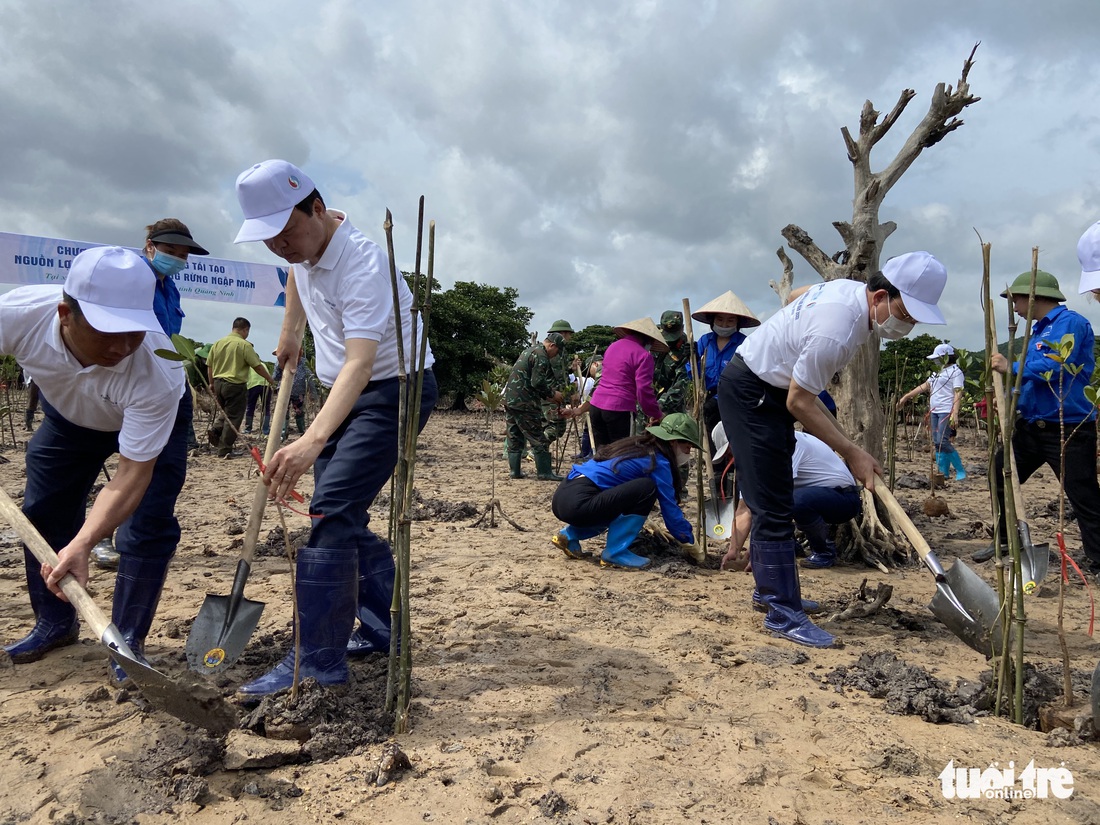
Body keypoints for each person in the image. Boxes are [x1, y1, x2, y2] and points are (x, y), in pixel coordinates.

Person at [232, 159, 437, 697]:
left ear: (317, 209)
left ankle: (317, 662)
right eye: (269, 240)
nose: (281, 246)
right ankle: (383, 625)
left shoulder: (364, 263)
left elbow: (360, 365)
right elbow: (297, 276)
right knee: (334, 510)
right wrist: (290, 330)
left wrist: (310, 440)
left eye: (287, 233)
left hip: (394, 389)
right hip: (344, 389)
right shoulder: (304, 244)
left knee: (335, 511)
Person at [718, 252, 948, 648]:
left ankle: (771, 592)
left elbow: (798, 297)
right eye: (905, 314)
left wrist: (788, 337)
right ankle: (782, 612)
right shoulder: (837, 330)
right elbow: (801, 402)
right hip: (753, 393)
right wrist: (852, 452)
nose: (906, 325)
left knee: (771, 494)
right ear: (879, 296)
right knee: (773, 503)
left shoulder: (845, 291)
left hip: (768, 390)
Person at [0, 246, 190, 688]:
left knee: (147, 525)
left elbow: (130, 478)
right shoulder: (17, 316)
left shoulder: (157, 373)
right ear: (66, 313)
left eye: (134, 332)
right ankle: (54, 623)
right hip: (68, 419)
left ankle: (127, 643)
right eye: (107, 333)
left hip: (147, 423)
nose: (123, 347)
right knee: (44, 512)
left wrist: (85, 543)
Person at [973, 270, 1100, 574]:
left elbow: (1059, 366)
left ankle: (1098, 558)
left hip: (1068, 428)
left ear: (1033, 297)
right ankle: (1004, 540)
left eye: (1015, 298)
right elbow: (1031, 381)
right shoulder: (1036, 332)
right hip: (1031, 427)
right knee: (999, 474)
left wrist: (1010, 365)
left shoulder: (1071, 323)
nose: (1013, 305)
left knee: (1082, 494)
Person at [550, 413, 700, 569]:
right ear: (673, 442)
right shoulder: (658, 461)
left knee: (619, 504)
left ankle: (569, 536)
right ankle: (615, 553)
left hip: (564, 495)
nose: (688, 454)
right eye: (687, 447)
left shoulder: (636, 447)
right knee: (646, 488)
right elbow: (670, 511)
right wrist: (689, 541)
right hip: (579, 504)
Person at [690, 291, 760, 451]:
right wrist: (691, 358)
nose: (724, 324)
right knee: (710, 441)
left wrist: (718, 399)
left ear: (738, 323)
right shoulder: (704, 342)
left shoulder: (745, 344)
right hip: (707, 401)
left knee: (733, 440)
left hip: (735, 399)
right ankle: (715, 472)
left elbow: (748, 376)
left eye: (730, 321)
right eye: (720, 320)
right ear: (712, 321)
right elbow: (693, 373)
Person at [587, 318, 667, 449]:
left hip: (596, 406)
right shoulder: (644, 356)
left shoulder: (613, 346)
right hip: (619, 408)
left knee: (601, 454)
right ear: (649, 339)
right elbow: (643, 390)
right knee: (620, 453)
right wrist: (656, 413)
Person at [206, 318, 275, 458]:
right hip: (234, 385)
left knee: (225, 411)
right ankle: (225, 449)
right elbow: (257, 366)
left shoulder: (218, 343)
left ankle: (216, 428)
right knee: (233, 417)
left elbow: (210, 365)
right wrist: (270, 379)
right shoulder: (244, 345)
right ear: (245, 330)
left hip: (218, 383)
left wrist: (211, 383)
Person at [897, 343, 966, 480]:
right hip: (934, 410)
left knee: (943, 441)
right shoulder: (937, 372)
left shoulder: (955, 371)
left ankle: (960, 470)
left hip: (946, 410)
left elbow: (958, 392)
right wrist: (906, 397)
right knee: (937, 442)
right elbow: (926, 386)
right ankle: (943, 472)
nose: (935, 361)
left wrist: (955, 413)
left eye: (938, 358)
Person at [504, 333, 567, 481]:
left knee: (515, 435)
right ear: (552, 345)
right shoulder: (541, 355)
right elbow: (537, 382)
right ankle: (544, 472)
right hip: (525, 401)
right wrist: (553, 394)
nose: (555, 355)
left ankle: (515, 471)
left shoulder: (529, 350)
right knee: (538, 436)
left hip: (511, 399)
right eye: (557, 351)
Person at [542, 319, 575, 447]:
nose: (570, 338)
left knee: (547, 425)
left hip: (548, 394)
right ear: (562, 334)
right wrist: (570, 395)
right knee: (557, 427)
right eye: (569, 334)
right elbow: (559, 376)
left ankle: (540, 450)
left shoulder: (552, 350)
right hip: (553, 394)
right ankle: (538, 449)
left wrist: (571, 368)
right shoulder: (556, 352)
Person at [653, 310, 693, 415]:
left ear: (682, 329)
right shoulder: (650, 337)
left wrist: (659, 406)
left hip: (669, 406)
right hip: (646, 398)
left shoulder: (685, 350)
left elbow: (680, 385)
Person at [273, 353, 321, 438]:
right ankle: (283, 433)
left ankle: (301, 432)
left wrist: (313, 392)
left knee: (299, 412)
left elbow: (309, 377)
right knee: (283, 412)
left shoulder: (303, 362)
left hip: (299, 393)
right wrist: (279, 367)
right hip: (283, 391)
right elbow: (275, 376)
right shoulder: (281, 361)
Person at [244, 362, 274, 434]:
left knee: (250, 407)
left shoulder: (249, 365)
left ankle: (248, 429)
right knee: (266, 408)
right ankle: (265, 430)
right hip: (266, 385)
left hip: (253, 385)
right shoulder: (263, 364)